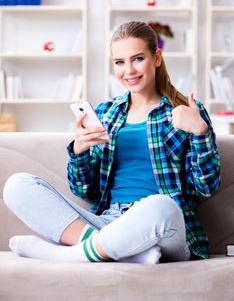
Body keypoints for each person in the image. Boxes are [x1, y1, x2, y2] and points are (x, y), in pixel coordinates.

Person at [3, 21, 220, 264]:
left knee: (162, 205)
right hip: (109, 222)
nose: (129, 70)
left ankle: (69, 254)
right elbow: (86, 192)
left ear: (157, 57)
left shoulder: (187, 112)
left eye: (138, 58)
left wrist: (200, 133)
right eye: (119, 62)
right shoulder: (106, 113)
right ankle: (126, 252)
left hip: (162, 227)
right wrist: (79, 151)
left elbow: (206, 187)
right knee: (17, 185)